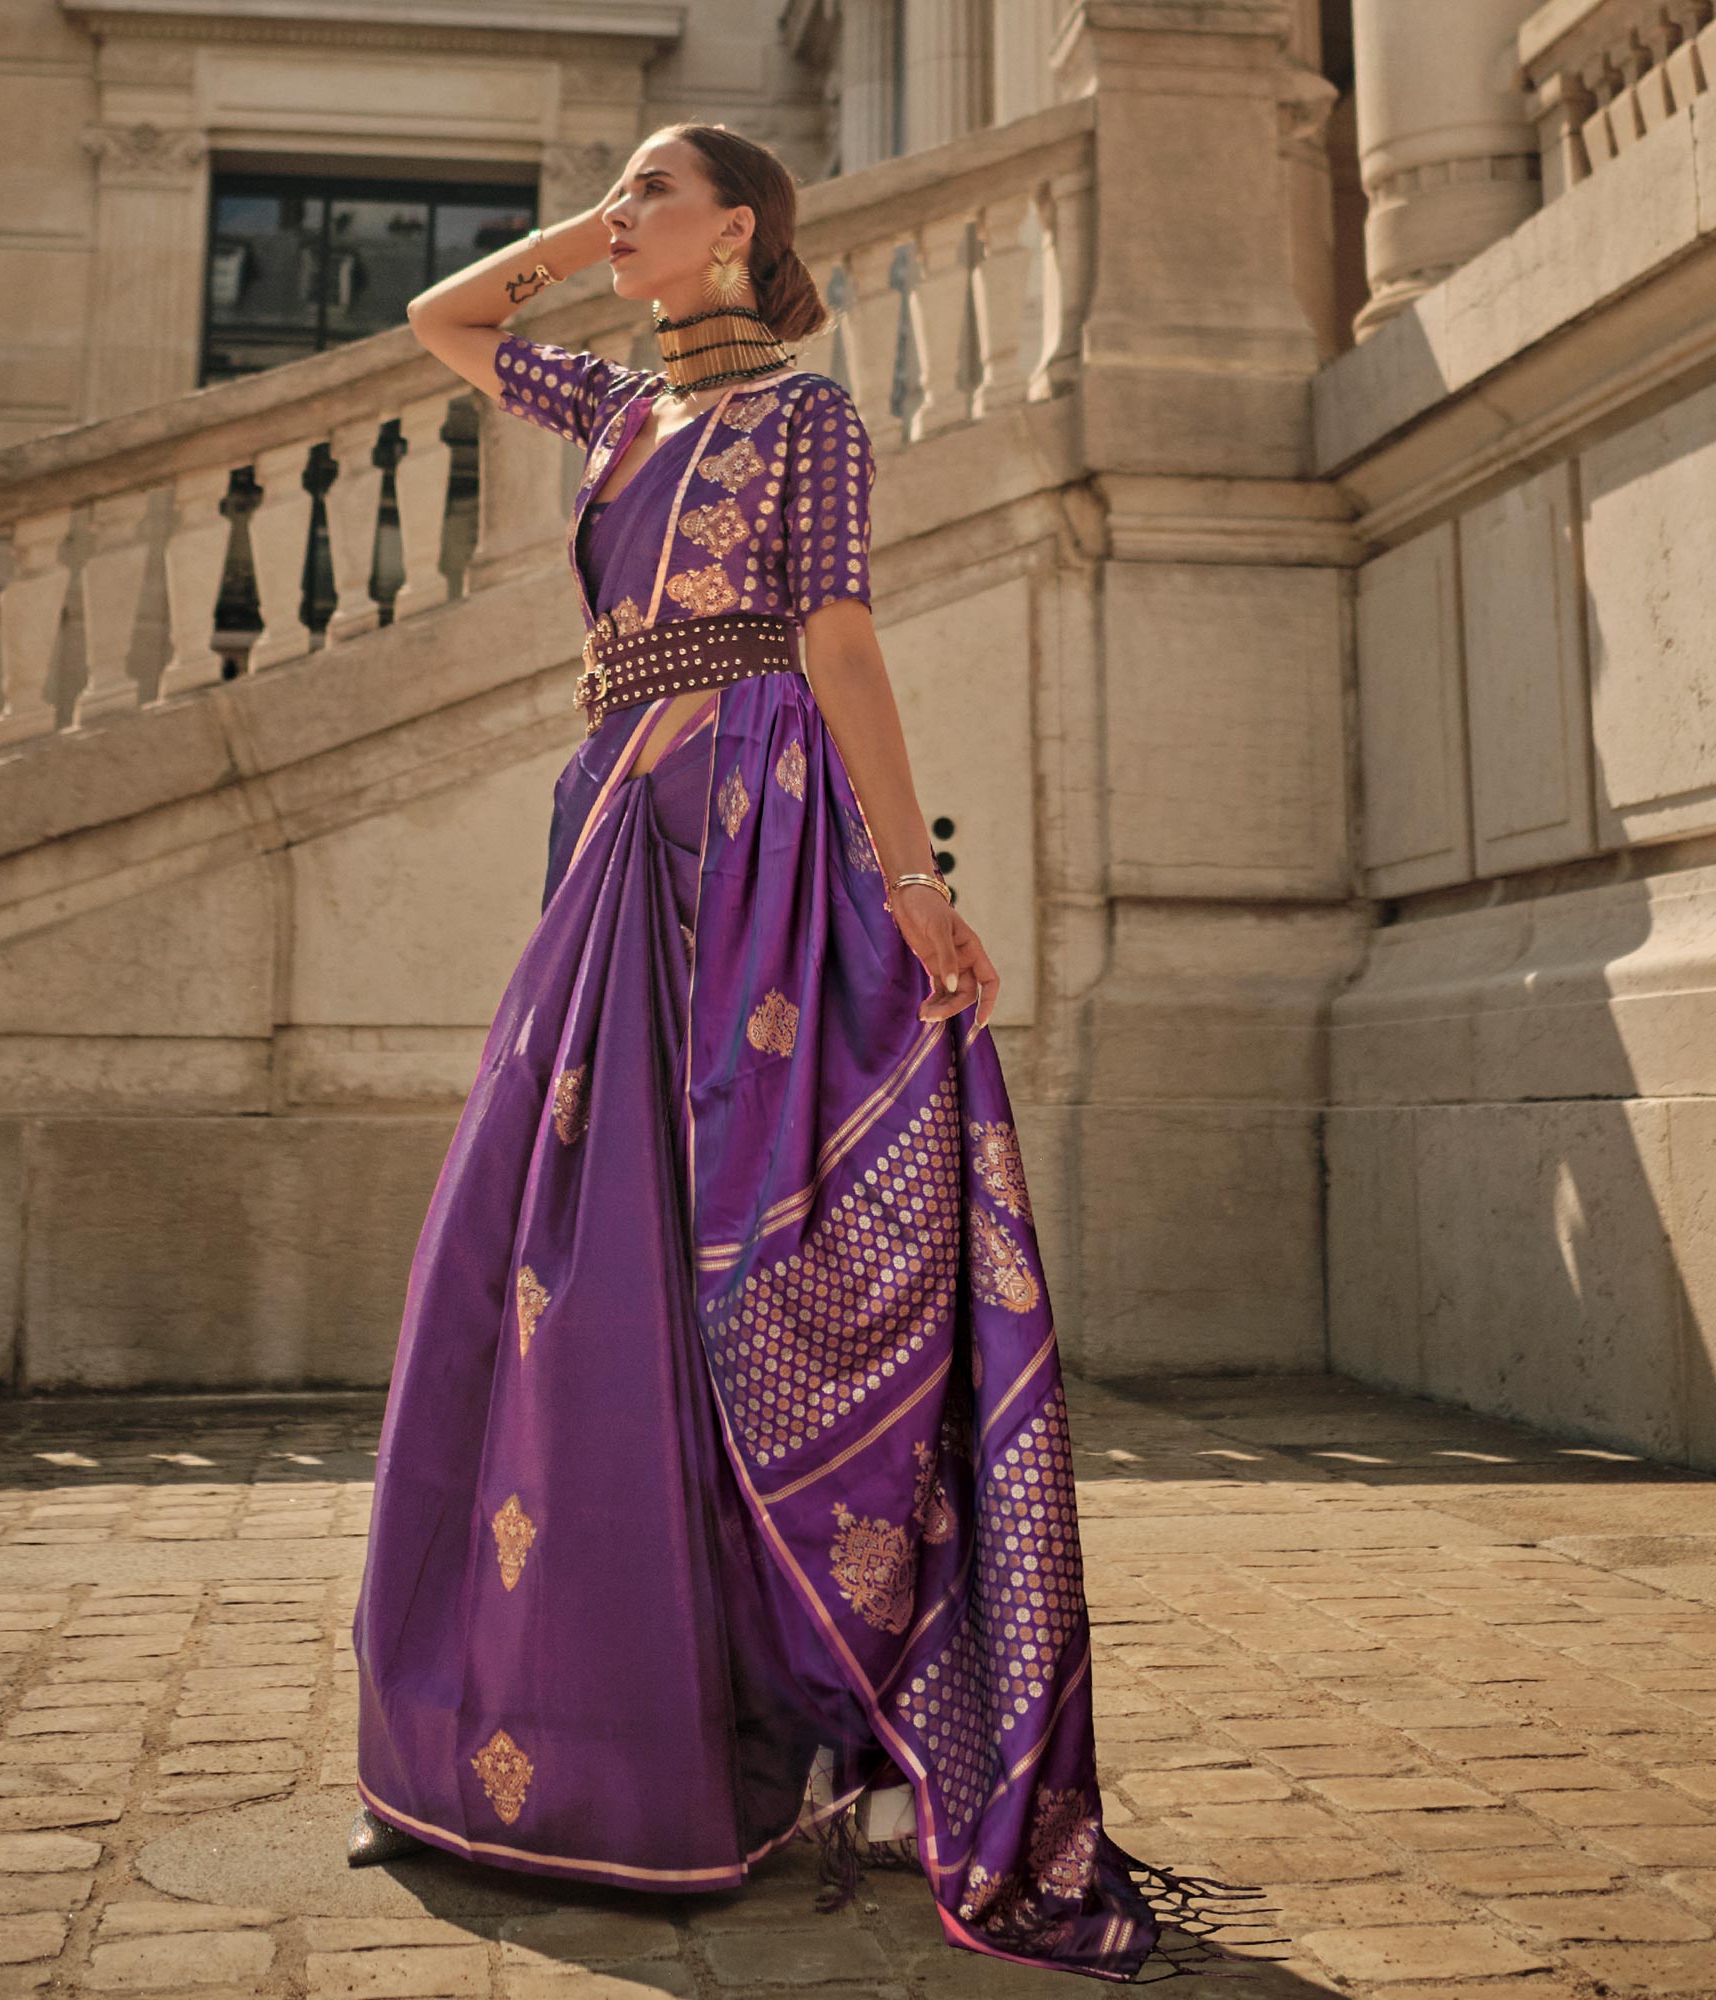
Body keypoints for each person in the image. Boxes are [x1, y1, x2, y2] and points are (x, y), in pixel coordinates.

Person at [346, 121, 1272, 1982]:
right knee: (561, 1265)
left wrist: (913, 876)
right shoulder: (613, 412)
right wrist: (581, 242)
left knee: (739, 1254)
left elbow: (839, 632)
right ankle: (603, 1733)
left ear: (741, 228)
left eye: (653, 196)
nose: (623, 222)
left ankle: (802, 1716)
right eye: (613, 196)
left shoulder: (808, 421)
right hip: (613, 833)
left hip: (760, 839)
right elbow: (446, 322)